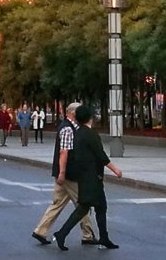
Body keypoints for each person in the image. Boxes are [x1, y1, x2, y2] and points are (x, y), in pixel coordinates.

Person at [52, 105, 122, 250]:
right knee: (88, 207)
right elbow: (100, 155)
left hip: (83, 175)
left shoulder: (77, 133)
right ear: (90, 118)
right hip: (92, 177)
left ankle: (103, 237)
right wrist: (115, 169)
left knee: (96, 207)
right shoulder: (90, 134)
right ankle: (62, 234)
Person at [32, 102, 97, 246]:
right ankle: (87, 235)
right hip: (69, 174)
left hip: (64, 174)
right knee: (84, 204)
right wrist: (62, 173)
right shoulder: (68, 129)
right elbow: (64, 152)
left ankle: (40, 231)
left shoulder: (70, 127)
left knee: (57, 204)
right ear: (73, 114)